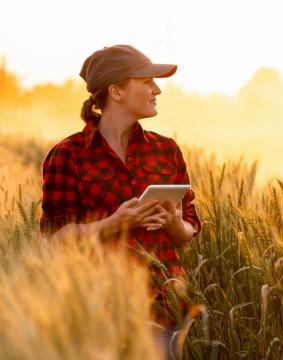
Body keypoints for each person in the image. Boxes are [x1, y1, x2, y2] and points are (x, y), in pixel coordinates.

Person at [39, 44, 203, 359]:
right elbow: (54, 240)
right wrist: (115, 223)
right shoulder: (68, 156)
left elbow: (188, 232)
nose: (157, 89)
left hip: (164, 310)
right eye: (147, 82)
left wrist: (173, 224)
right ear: (116, 91)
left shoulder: (166, 150)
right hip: (99, 314)